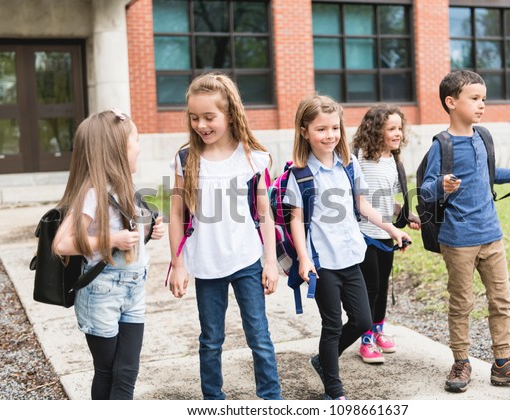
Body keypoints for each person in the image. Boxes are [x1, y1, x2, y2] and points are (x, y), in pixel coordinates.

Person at [420, 69, 510, 393]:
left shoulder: (483, 137)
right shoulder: (443, 145)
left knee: (501, 300)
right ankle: (461, 361)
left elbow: (492, 174)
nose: (482, 105)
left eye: (484, 99)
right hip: (458, 240)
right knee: (461, 303)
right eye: (475, 99)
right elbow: (424, 191)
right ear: (451, 102)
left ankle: (503, 363)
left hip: (492, 235)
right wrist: (441, 185)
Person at [284, 94, 411, 400]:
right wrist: (303, 260)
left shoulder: (349, 164)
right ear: (304, 131)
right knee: (331, 326)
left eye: (334, 128)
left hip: (352, 256)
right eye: (321, 129)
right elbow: (296, 221)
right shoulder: (299, 175)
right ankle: (333, 389)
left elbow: (361, 204)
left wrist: (391, 228)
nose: (330, 135)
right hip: (322, 263)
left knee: (362, 321)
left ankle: (322, 361)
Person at [167, 73, 281, 400]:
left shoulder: (252, 157)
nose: (201, 124)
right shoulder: (186, 158)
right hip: (206, 265)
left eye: (209, 117)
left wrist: (270, 263)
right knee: (211, 339)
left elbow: (265, 214)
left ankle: (272, 399)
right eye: (194, 117)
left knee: (259, 335)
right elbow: (176, 213)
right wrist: (178, 264)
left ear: (229, 114)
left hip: (246, 261)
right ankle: (213, 401)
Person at [53, 109, 165, 399]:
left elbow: (128, 240)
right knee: (107, 371)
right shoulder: (92, 193)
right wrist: (113, 238)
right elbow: (62, 244)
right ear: (117, 150)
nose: (140, 147)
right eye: (136, 141)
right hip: (101, 293)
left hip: (133, 289)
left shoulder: (126, 188)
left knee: (127, 372)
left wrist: (149, 232)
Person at [351, 104, 421, 364]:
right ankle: (366, 338)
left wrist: (407, 215)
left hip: (385, 237)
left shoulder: (394, 161)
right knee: (368, 289)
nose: (398, 134)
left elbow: (385, 201)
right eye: (391, 128)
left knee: (382, 288)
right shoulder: (359, 160)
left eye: (400, 128)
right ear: (374, 130)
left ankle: (378, 330)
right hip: (364, 235)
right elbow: (361, 201)